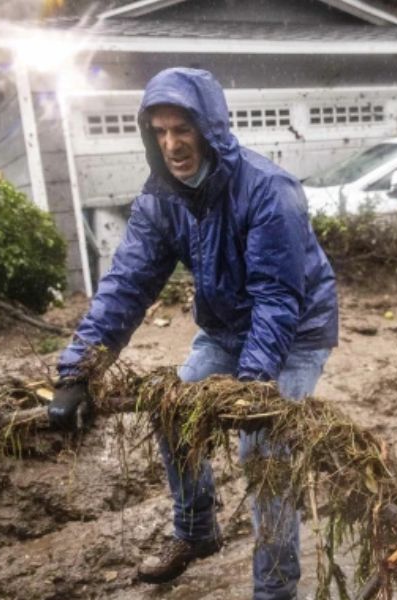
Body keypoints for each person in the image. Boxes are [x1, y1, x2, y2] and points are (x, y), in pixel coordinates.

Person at [47, 67, 339, 600]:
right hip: (226, 327)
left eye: (182, 129)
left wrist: (249, 386)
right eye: (159, 132)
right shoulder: (162, 198)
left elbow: (278, 300)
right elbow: (127, 285)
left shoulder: (268, 191)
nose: (172, 144)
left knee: (263, 448)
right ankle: (197, 528)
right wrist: (78, 370)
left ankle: (275, 589)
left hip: (296, 331)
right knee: (171, 406)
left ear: (211, 128)